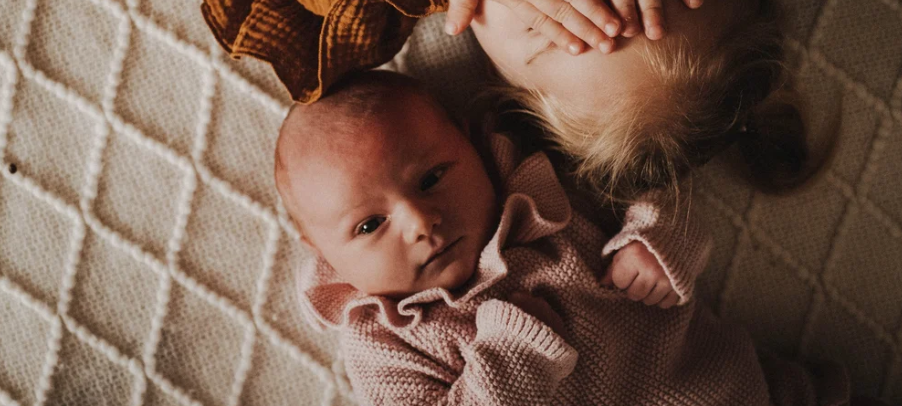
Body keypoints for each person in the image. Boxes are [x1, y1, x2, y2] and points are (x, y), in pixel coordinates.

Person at [274, 69, 852, 405]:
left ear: (472, 146)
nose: (421, 222)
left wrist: (656, 242)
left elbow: (660, 188)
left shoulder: (543, 189)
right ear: (322, 252)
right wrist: (509, 355)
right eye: (369, 225)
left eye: (431, 178)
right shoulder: (383, 344)